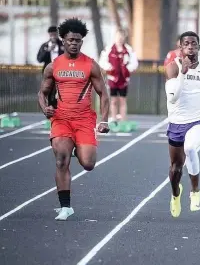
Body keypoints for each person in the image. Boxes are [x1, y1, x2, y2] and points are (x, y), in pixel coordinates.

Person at [38, 18, 110, 221]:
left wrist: (103, 120)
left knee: (88, 163)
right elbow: (42, 93)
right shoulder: (53, 66)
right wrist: (45, 109)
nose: (74, 43)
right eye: (70, 40)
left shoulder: (90, 65)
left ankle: (79, 148)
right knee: (61, 159)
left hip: (84, 119)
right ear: (63, 40)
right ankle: (65, 207)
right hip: (61, 119)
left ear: (81, 41)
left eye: (78, 40)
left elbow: (103, 93)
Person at [165, 31, 200, 218]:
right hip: (177, 122)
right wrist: (183, 73)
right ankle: (175, 195)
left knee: (190, 148)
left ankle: (195, 191)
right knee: (175, 168)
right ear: (180, 47)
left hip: (199, 119)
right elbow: (173, 99)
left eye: (194, 43)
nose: (190, 46)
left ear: (198, 46)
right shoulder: (173, 68)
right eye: (186, 44)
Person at [99, 28, 138, 122]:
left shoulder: (128, 49)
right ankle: (114, 119)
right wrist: (110, 68)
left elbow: (134, 62)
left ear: (124, 37)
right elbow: (102, 61)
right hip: (112, 79)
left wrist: (128, 69)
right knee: (113, 100)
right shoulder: (109, 49)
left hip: (124, 79)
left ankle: (123, 120)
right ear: (115, 37)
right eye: (118, 37)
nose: (120, 39)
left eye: (121, 36)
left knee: (122, 100)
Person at [37, 26, 65, 108]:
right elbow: (39, 59)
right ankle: (49, 108)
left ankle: (58, 108)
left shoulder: (63, 45)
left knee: (59, 92)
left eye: (54, 34)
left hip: (61, 72)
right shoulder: (45, 46)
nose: (53, 36)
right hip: (48, 72)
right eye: (51, 34)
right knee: (48, 90)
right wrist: (48, 50)